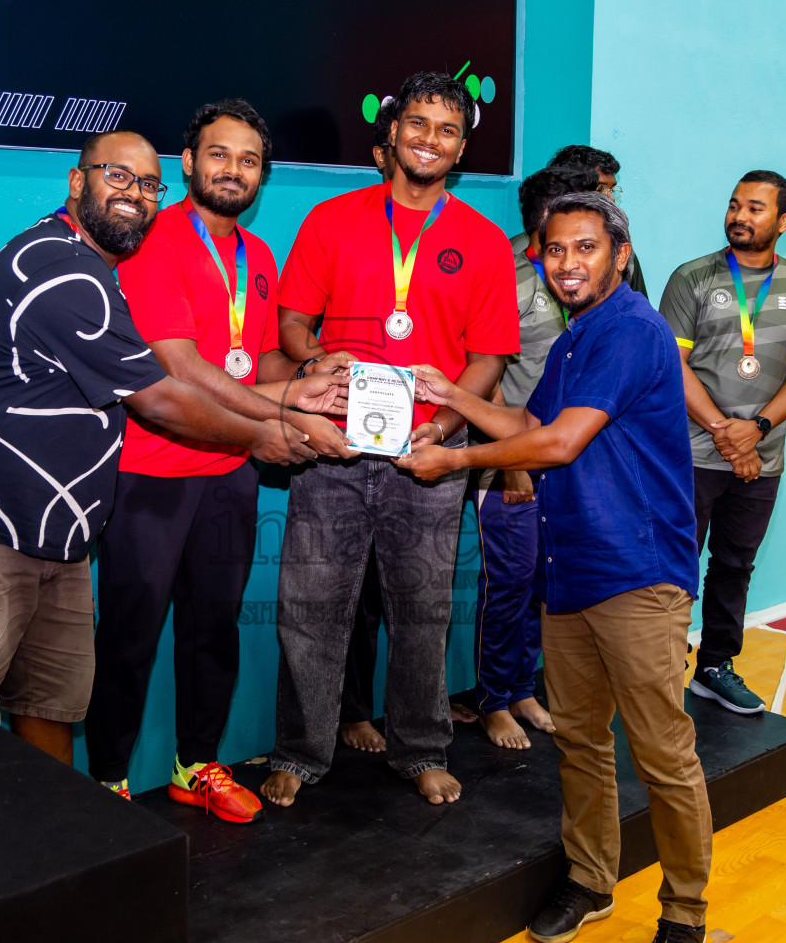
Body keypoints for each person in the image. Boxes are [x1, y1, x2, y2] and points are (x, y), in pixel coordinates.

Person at [0, 131, 315, 765]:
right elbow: (159, 396)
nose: (135, 195)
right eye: (118, 176)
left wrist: (310, 381)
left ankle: (70, 842)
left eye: (147, 185)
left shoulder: (99, 267)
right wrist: (265, 433)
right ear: (76, 180)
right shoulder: (63, 267)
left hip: (56, 531)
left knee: (48, 703)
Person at [399, 192, 712, 943]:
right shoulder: (577, 339)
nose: (568, 263)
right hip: (570, 568)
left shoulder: (634, 330)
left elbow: (561, 444)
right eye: (555, 251)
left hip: (640, 573)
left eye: (585, 248)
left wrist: (453, 460)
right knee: (579, 739)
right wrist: (451, 396)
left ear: (620, 253)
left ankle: (685, 915)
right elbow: (523, 427)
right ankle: (590, 878)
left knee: (663, 754)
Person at [83, 102, 354, 821]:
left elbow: (254, 356)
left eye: (248, 160)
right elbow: (178, 364)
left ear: (261, 175)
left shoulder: (257, 257)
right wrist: (282, 412)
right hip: (149, 475)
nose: (232, 170)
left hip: (228, 481)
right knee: (129, 638)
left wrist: (311, 371)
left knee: (213, 631)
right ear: (188, 163)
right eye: (219, 154)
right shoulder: (154, 242)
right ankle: (107, 779)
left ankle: (193, 766)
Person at [262, 70, 519, 807]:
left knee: (422, 614)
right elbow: (291, 324)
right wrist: (314, 361)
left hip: (428, 459)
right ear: (392, 134)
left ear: (461, 146)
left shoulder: (482, 243)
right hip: (332, 451)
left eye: (445, 130)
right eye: (417, 125)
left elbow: (490, 352)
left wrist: (446, 423)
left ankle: (422, 749)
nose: (428, 140)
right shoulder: (331, 220)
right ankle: (300, 751)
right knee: (309, 610)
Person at [658, 170, 786, 716]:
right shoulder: (693, 278)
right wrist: (725, 433)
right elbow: (671, 365)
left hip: (761, 458)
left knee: (735, 565)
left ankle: (715, 666)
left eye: (755, 208)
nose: (739, 216)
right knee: (674, 564)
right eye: (734, 205)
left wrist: (756, 432)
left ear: (784, 221)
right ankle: (660, 669)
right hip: (692, 453)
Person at [470, 163, 598, 750]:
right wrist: (511, 459)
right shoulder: (509, 281)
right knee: (510, 583)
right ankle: (494, 698)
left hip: (569, 463)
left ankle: (523, 688)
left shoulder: (585, 286)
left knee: (545, 585)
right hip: (513, 460)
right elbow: (489, 373)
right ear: (544, 223)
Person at [339, 95, 400, 755]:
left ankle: (418, 725)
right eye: (387, 148)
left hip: (426, 441)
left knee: (415, 599)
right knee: (349, 594)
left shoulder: (460, 233)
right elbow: (298, 327)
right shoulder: (340, 223)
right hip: (349, 437)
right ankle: (352, 711)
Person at [548, 144, 647, 296]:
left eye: (612, 189)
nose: (611, 198)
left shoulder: (622, 252)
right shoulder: (526, 253)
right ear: (568, 190)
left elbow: (638, 310)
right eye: (600, 189)